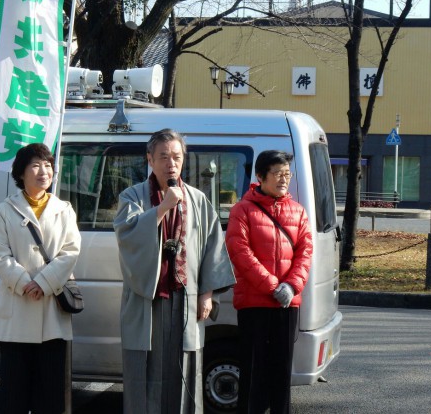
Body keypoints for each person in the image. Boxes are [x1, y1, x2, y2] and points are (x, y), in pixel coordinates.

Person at [113, 128, 236, 414]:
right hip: (148, 299)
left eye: (177, 156)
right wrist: (163, 207)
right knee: (143, 368)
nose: (171, 163)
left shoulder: (197, 199)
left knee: (186, 368)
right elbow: (126, 235)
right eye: (163, 156)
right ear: (149, 159)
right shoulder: (133, 196)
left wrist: (207, 293)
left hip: (187, 298)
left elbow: (212, 247)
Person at [0, 143, 81, 414]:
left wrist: (42, 282)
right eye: (36, 165)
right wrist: (23, 282)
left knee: (50, 395)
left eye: (48, 165)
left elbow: (71, 251)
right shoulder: (6, 209)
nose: (44, 171)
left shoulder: (64, 209)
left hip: (51, 311)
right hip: (16, 310)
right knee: (13, 394)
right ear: (21, 172)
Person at [225, 150, 313, 414]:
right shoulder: (242, 210)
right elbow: (239, 252)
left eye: (287, 173)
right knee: (253, 373)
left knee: (281, 375)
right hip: (254, 304)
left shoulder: (297, 212)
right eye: (277, 173)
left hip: (286, 306)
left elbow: (305, 253)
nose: (283, 179)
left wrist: (290, 286)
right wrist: (272, 286)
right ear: (261, 176)